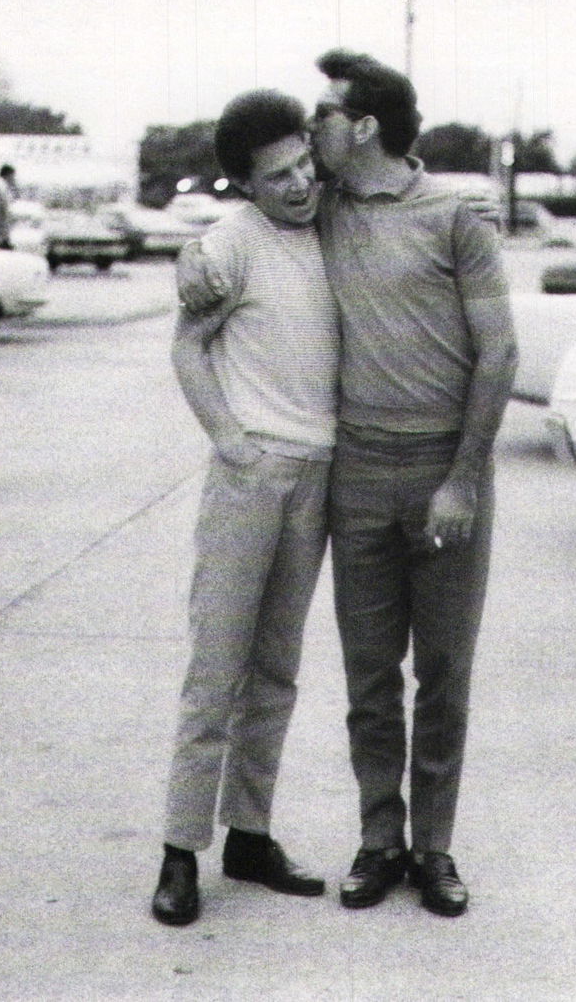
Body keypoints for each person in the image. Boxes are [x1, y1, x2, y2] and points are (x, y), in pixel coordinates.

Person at [307, 48, 517, 918]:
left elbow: (499, 352)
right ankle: (378, 839)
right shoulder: (315, 210)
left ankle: (433, 845)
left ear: (364, 127)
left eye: (324, 112)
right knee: (366, 676)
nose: (310, 124)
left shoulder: (454, 218)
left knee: (443, 673)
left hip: (442, 471)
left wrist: (463, 480)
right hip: (356, 469)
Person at [151, 89, 339, 928]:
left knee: (277, 669)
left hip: (319, 474)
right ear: (244, 184)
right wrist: (230, 438)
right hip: (253, 473)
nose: (300, 184)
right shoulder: (227, 249)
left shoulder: (335, 231)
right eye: (279, 175)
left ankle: (250, 835)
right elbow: (187, 348)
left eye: (304, 164)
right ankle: (179, 849)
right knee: (216, 666)